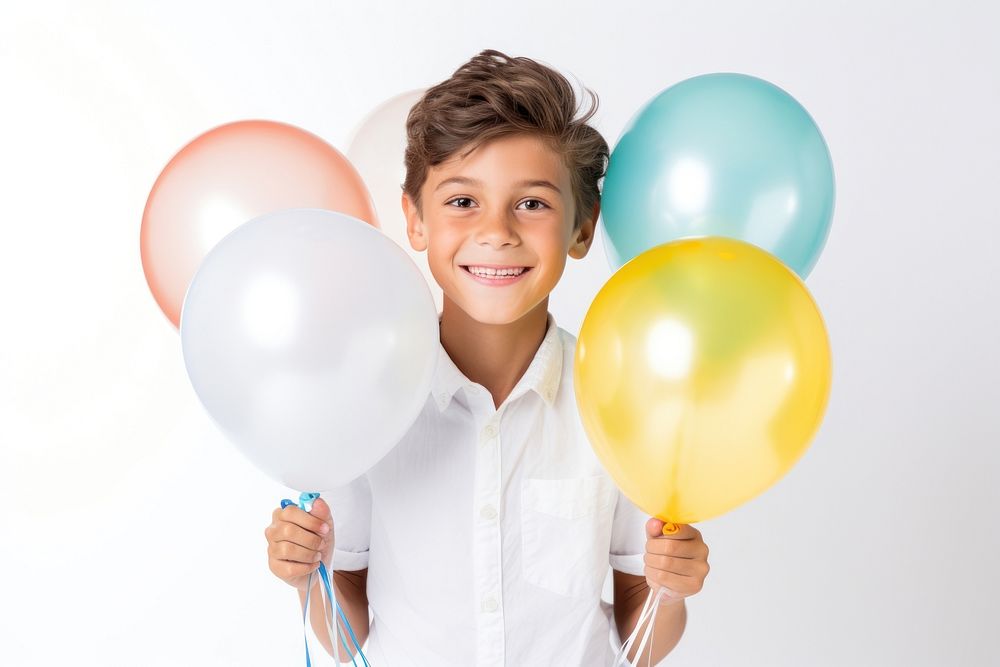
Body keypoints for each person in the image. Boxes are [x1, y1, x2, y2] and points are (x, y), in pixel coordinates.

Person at [263, 49, 710, 666]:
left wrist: (671, 590)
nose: (496, 232)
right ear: (415, 220)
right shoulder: (366, 403)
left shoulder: (621, 398)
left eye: (532, 203)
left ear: (582, 229)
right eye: (462, 201)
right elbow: (352, 633)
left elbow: (639, 632)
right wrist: (307, 577)